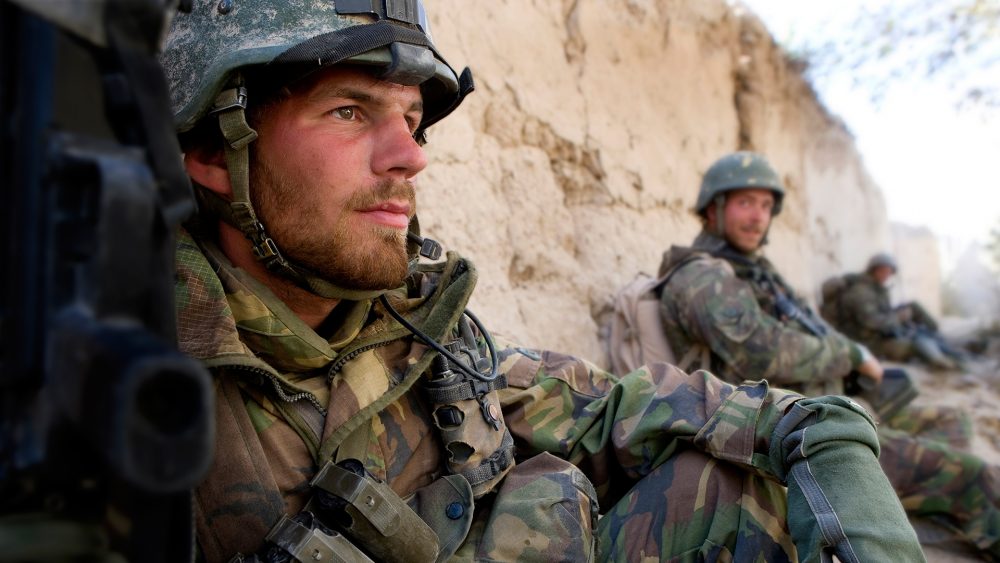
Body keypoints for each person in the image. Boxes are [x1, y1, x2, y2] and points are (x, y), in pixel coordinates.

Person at [161, 4, 923, 561]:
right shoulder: (140, 397)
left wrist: (813, 427)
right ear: (214, 151)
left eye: (413, 119)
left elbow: (610, 406)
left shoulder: (415, 331)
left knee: (732, 489)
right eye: (349, 111)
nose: (410, 155)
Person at [656, 150, 1000, 560]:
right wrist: (849, 354)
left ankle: (910, 511)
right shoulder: (702, 276)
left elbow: (804, 330)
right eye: (745, 202)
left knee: (954, 423)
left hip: (830, 408)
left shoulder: (754, 273)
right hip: (797, 434)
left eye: (765, 205)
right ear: (713, 208)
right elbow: (761, 352)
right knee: (976, 477)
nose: (758, 217)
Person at [822, 253, 967, 370]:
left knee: (914, 310)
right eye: (884, 271)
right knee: (916, 342)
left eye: (889, 272)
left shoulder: (875, 288)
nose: (887, 275)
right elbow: (871, 322)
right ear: (874, 270)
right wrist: (898, 318)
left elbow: (883, 313)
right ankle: (940, 362)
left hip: (876, 336)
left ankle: (940, 339)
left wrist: (900, 317)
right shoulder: (862, 292)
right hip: (866, 343)